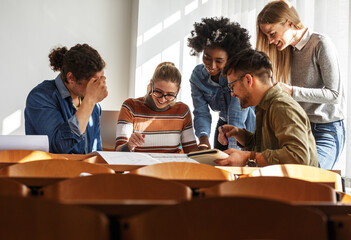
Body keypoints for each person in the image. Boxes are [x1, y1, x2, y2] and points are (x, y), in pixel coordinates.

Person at [256, 0, 345, 169]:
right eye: (267, 36)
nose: (269, 41)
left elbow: (334, 94)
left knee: (309, 172)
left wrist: (291, 91)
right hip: (300, 128)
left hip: (327, 130)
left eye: (272, 34)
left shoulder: (321, 44)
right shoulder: (289, 51)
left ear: (289, 23)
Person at [215, 49, 318, 167]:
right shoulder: (264, 105)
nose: (232, 94)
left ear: (248, 80)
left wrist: (248, 157)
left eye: (232, 87)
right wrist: (239, 134)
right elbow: (264, 148)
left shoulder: (281, 106)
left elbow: (298, 157)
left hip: (295, 185)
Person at [187, 17, 255, 151]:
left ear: (230, 58)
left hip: (248, 126)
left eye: (219, 61)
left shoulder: (238, 76)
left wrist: (234, 150)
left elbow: (237, 116)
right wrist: (203, 140)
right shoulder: (197, 77)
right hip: (223, 125)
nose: (211, 66)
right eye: (207, 57)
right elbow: (201, 113)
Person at [25, 44, 108, 154]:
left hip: (85, 170)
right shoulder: (40, 97)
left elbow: (95, 152)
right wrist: (90, 101)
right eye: (94, 82)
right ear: (71, 78)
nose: (100, 86)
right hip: (51, 169)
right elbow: (59, 147)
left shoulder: (94, 106)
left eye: (102, 78)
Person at [115, 62, 197, 153]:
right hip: (140, 166)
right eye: (158, 92)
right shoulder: (131, 107)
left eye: (170, 95)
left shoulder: (182, 111)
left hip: (171, 166)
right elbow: (118, 152)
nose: (162, 100)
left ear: (177, 91)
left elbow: (191, 152)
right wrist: (129, 145)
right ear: (151, 85)